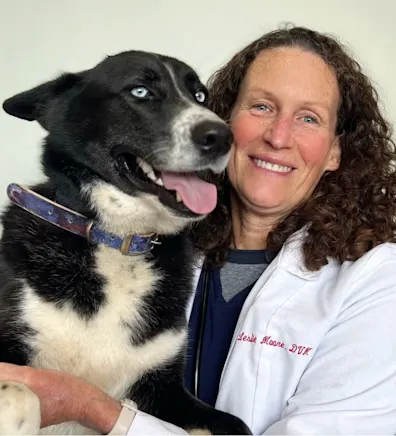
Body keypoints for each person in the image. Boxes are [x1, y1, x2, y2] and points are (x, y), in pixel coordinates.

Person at [2, 24, 396, 435]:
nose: (279, 137)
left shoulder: (376, 280)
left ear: (336, 150)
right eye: (261, 107)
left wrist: (92, 408)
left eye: (309, 118)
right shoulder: (160, 246)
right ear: (228, 119)